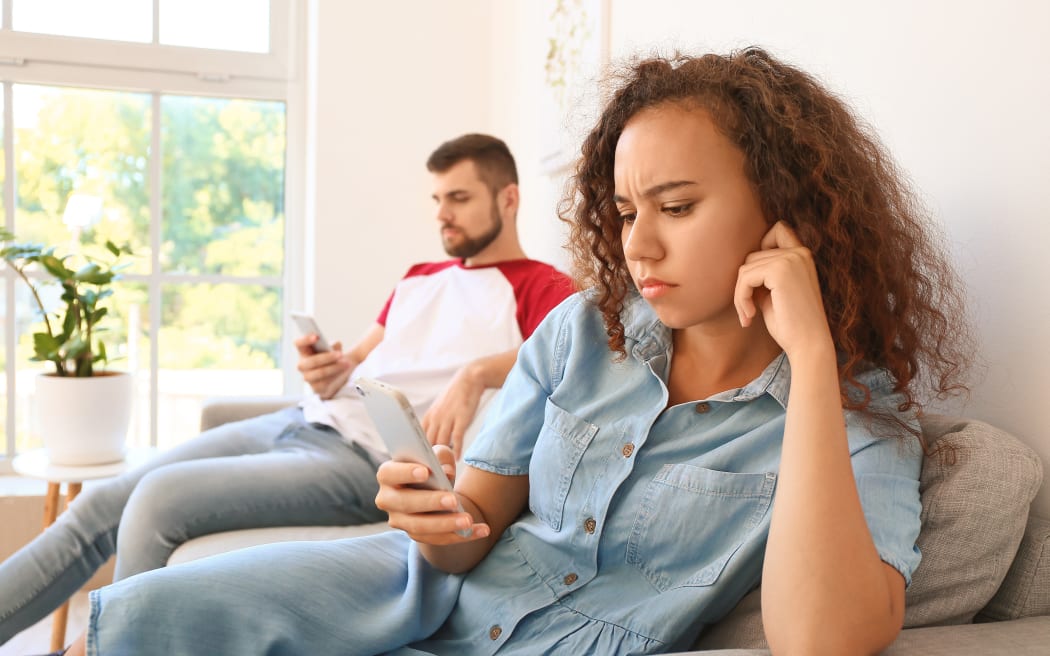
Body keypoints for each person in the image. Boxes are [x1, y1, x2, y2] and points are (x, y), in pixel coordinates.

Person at [60, 47, 969, 656]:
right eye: (624, 212)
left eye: (677, 208)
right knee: (152, 612)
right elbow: (472, 536)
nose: (637, 247)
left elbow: (824, 640)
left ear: (790, 213)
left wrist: (810, 360)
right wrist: (432, 514)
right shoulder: (581, 334)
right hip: (421, 603)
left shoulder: (857, 419)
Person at [0, 133, 574, 647]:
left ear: (508, 199)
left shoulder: (542, 286)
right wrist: (329, 365)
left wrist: (475, 373)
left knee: (156, 500)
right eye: (437, 200)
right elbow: (358, 360)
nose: (443, 214)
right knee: (102, 502)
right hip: (304, 421)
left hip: (363, 459)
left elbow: (564, 354)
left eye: (459, 198)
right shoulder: (419, 277)